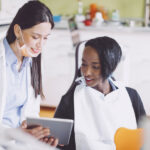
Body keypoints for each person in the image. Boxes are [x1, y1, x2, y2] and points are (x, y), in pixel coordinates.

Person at [54, 36, 146, 150]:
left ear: (111, 66)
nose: (87, 72)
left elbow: (144, 139)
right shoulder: (70, 100)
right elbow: (58, 143)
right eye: (84, 64)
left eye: (95, 66)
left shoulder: (131, 97)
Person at [0, 0, 58, 145]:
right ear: (18, 31)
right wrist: (14, 134)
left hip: (21, 141)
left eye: (45, 38)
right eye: (35, 37)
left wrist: (40, 135)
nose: (40, 45)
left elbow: (31, 112)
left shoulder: (32, 62)